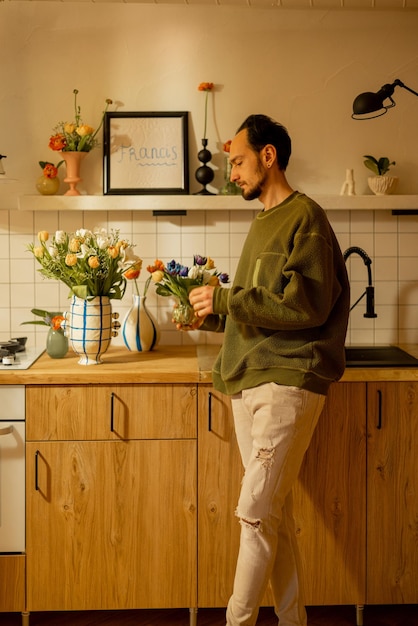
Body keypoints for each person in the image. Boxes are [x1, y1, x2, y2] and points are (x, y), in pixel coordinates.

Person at [185, 114, 350, 626]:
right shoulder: (260, 224)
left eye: (238, 161)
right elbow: (260, 311)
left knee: (254, 514)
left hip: (289, 380)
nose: (232, 172)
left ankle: (236, 621)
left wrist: (230, 298)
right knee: (270, 516)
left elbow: (306, 306)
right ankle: (293, 619)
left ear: (268, 156)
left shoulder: (307, 218)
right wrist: (213, 315)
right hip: (246, 380)